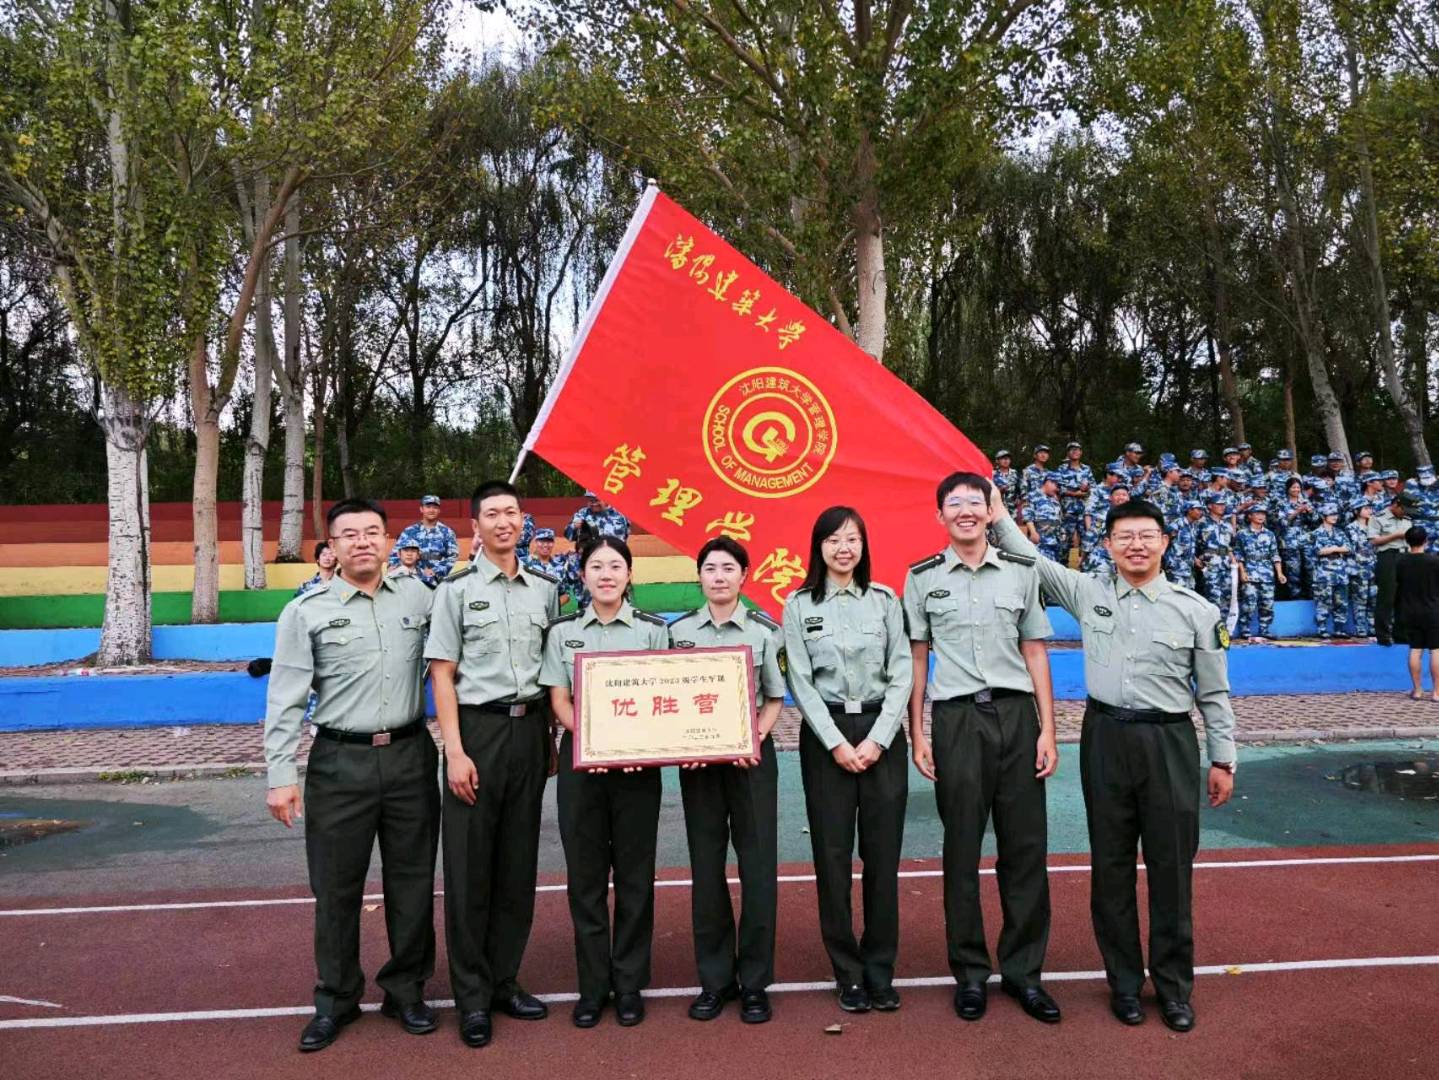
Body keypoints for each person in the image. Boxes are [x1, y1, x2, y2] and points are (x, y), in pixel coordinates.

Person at [987, 491, 1236, 1033]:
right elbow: (1032, 560)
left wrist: (1224, 758)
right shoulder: (1089, 591)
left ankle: (1173, 988)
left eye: (1146, 535)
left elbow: (1215, 694)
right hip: (1105, 738)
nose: (1136, 544)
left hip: (1168, 742)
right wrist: (997, 511)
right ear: (1108, 544)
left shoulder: (1197, 610)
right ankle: (1124, 984)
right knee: (1111, 867)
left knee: (1171, 869)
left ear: (1165, 542)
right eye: (1125, 536)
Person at [263, 498, 440, 1052]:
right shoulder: (305, 612)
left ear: (388, 540)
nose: (363, 542)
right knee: (336, 888)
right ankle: (336, 998)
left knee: (412, 882)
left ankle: (406, 990)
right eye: (350, 534)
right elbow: (286, 698)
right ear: (332, 547)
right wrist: (280, 773)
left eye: (372, 532)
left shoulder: (419, 596)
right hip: (340, 761)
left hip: (411, 755)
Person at [904, 472, 1060, 1027]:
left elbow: (1035, 651)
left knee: (1025, 849)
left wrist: (1048, 729)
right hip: (957, 721)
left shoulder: (1021, 571)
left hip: (1017, 717)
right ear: (940, 515)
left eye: (976, 501)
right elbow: (917, 658)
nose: (966, 511)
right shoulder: (922, 577)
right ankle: (970, 973)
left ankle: (1024, 973)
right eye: (955, 503)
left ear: (991, 512)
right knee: (961, 849)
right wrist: (918, 732)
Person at [423, 481, 561, 1049]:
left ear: (523, 520)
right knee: (469, 868)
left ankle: (505, 980)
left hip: (530, 731)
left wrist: (551, 737)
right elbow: (442, 675)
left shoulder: (545, 591)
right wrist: (454, 752)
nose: (504, 522)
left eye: (512, 512)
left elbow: (553, 670)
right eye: (492, 514)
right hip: (476, 733)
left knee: (517, 864)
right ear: (475, 526)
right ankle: (472, 996)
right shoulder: (455, 591)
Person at [782, 507, 912, 1015]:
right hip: (826, 738)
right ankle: (848, 973)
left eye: (853, 539)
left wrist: (878, 740)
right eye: (834, 539)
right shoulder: (799, 605)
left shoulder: (885, 601)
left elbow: (902, 673)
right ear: (819, 547)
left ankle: (880, 971)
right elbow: (800, 682)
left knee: (882, 859)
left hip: (881, 734)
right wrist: (836, 742)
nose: (843, 548)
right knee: (832, 860)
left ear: (863, 546)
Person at [540, 536, 670, 1028]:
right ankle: (593, 987)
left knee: (636, 878)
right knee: (586, 880)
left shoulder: (653, 630)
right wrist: (595, 742)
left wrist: (637, 746)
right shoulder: (563, 632)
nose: (606, 574)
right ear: (583, 575)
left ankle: (629, 983)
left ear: (629, 574)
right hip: (583, 768)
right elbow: (559, 699)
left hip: (638, 771)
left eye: (616, 566)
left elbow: (666, 697)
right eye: (596, 566)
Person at [669, 539, 787, 1024]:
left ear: (744, 575)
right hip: (699, 767)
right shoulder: (676, 633)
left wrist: (753, 738)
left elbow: (775, 697)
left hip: (751, 762)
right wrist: (681, 744)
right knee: (706, 869)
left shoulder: (765, 631)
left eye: (728, 568)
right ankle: (715, 981)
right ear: (699, 576)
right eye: (710, 568)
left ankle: (755, 983)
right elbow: (664, 697)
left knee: (758, 870)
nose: (718, 576)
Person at [1395, 526, 1439, 699]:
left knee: (1415, 649)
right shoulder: (1434, 561)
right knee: (1436, 650)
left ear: (1407, 541)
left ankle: (1418, 690)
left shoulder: (1401, 562)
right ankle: (1436, 692)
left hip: (1409, 610)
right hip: (1433, 609)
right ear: (1426, 541)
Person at [1370, 492, 1415, 645]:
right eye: (1403, 510)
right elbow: (1374, 541)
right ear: (1396, 504)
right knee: (1387, 596)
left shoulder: (1407, 520)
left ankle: (1401, 634)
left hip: (1406, 556)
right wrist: (1395, 536)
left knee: (1404, 596)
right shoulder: (1378, 517)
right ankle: (1383, 634)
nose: (1405, 513)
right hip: (1388, 556)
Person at [1235, 506, 1285, 642]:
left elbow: (1275, 554)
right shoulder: (1242, 534)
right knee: (1249, 604)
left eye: (1263, 514)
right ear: (1250, 516)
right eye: (1257, 513)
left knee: (1267, 604)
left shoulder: (1269, 534)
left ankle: (1265, 630)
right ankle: (1245, 629)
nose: (1261, 516)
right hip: (1250, 573)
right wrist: (1242, 572)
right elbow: (1238, 555)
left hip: (1267, 574)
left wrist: (1279, 573)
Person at [390, 495, 459, 588]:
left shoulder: (447, 532)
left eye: (435, 507)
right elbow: (396, 553)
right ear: (421, 509)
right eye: (428, 507)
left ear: (439, 510)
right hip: (411, 579)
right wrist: (394, 567)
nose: (431, 510)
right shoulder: (409, 531)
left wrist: (436, 571)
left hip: (436, 581)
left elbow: (452, 556)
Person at [1309, 505, 1352, 639]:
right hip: (1323, 573)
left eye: (1336, 514)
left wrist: (1332, 549)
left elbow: (1348, 548)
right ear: (1323, 517)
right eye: (1331, 514)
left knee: (1341, 602)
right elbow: (1318, 551)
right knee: (1323, 602)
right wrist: (1337, 548)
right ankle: (1322, 629)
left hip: (1340, 573)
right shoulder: (1316, 533)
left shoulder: (1339, 532)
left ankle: (1339, 629)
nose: (1335, 517)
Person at [1058, 442, 1094, 556]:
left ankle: (1086, 564)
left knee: (1087, 539)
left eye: (1077, 449)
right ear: (1068, 453)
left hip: (1084, 511)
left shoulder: (1086, 469)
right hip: (1068, 511)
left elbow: (1094, 488)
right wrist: (1074, 494)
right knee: (1065, 541)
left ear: (1081, 452)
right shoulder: (1061, 469)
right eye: (1072, 450)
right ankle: (1062, 565)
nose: (1075, 452)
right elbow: (1058, 488)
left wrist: (1087, 489)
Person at [1348, 504, 1378, 639]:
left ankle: (1372, 627)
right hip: (1359, 568)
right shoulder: (1351, 528)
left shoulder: (1374, 526)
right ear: (1357, 511)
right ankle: (1360, 628)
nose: (1369, 511)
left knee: (1373, 598)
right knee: (1360, 599)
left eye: (1370, 508)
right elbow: (1351, 549)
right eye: (1365, 508)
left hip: (1373, 567)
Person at [565, 490, 631, 543]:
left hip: (613, 552)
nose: (594, 504)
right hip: (590, 553)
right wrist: (574, 527)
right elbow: (569, 536)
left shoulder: (620, 515)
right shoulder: (583, 513)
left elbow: (623, 537)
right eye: (591, 501)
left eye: (597, 500)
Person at [992, 450, 1020, 515]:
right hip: (997, 509)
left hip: (1012, 509)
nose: (1006, 460)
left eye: (1008, 458)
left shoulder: (1015, 473)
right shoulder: (992, 474)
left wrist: (1019, 498)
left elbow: (1021, 488)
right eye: (1003, 458)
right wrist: (998, 490)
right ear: (997, 461)